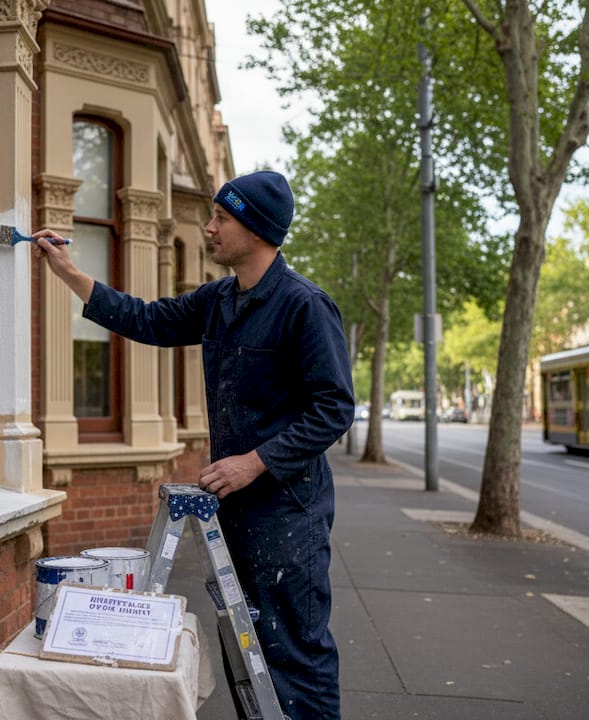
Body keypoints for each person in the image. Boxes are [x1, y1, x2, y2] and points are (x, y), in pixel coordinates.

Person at [34, 170, 354, 719]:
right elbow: (145, 319)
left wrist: (255, 463)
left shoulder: (304, 306)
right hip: (234, 511)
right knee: (246, 650)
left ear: (255, 229)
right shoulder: (218, 300)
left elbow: (334, 409)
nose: (208, 228)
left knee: (294, 656)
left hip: (287, 516)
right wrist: (69, 273)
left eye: (221, 218)